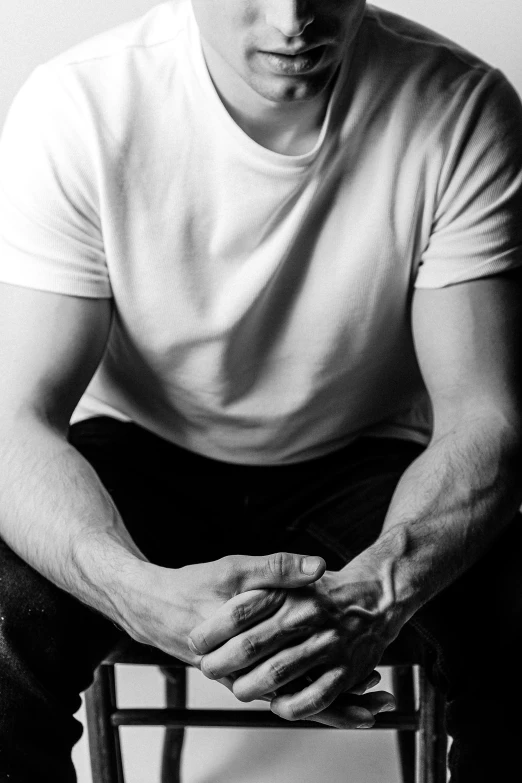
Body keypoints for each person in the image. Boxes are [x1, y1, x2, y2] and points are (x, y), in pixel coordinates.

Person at [0, 0, 521, 780]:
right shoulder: (80, 104)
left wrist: (374, 593)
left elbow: (487, 416)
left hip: (366, 464)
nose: (290, 22)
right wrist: (136, 590)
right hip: (144, 454)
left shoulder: (460, 105)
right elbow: (18, 421)